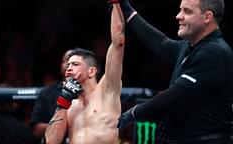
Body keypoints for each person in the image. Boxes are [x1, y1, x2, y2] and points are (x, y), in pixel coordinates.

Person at [116, 0, 233, 143]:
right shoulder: (191, 47)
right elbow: (160, 43)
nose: (178, 16)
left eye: (187, 11)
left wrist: (132, 114)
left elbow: (173, 97)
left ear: (207, 17)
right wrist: (128, 10)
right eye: (180, 10)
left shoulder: (214, 52)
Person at [44, 3, 125, 144]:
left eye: (75, 64)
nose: (68, 68)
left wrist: (115, 3)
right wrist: (63, 104)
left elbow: (118, 43)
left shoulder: (107, 91)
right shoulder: (69, 105)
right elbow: (51, 141)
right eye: (68, 65)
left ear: (91, 71)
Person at [29, 49, 72, 143]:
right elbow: (36, 129)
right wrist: (63, 129)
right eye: (67, 61)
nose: (70, 65)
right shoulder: (47, 93)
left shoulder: (92, 93)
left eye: (75, 63)